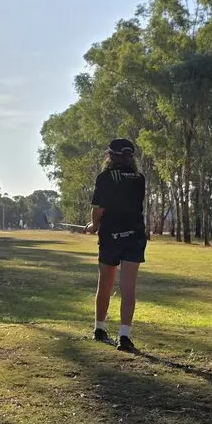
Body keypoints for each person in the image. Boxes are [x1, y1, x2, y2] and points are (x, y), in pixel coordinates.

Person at [86, 138, 148, 353]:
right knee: (128, 287)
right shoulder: (139, 178)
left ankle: (99, 329)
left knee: (105, 284)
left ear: (110, 156)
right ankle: (124, 336)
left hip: (111, 236)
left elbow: (98, 210)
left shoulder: (104, 178)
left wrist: (93, 226)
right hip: (135, 236)